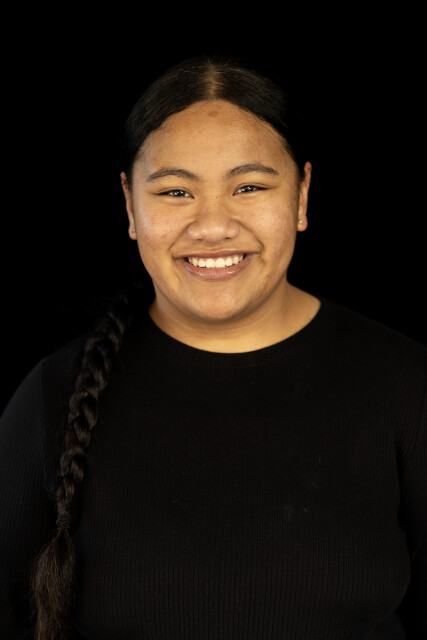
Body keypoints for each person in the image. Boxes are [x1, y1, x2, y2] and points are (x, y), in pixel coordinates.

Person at [0, 55, 426, 640]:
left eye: (249, 187)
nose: (213, 226)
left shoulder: (406, 386)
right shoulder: (52, 396)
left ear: (302, 195)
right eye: (176, 191)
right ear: (130, 205)